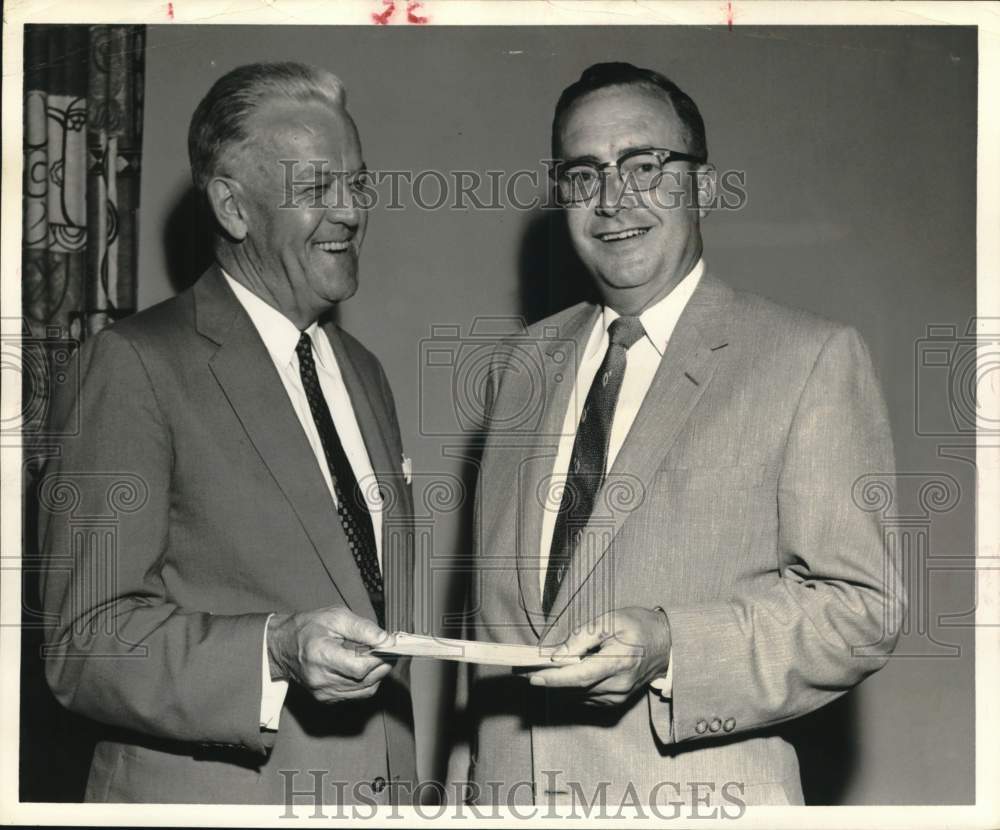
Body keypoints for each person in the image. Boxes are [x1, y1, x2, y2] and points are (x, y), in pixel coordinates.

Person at [464, 61, 904, 808]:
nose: (613, 199)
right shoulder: (519, 367)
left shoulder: (807, 359)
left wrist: (672, 647)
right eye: (584, 174)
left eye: (645, 165)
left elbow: (864, 609)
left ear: (701, 185)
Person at [39, 62, 416, 805]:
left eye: (357, 183)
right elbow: (83, 645)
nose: (350, 212)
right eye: (315, 189)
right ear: (233, 208)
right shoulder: (133, 365)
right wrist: (272, 650)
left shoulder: (363, 371)